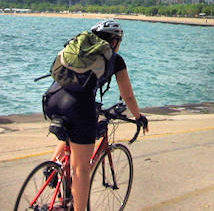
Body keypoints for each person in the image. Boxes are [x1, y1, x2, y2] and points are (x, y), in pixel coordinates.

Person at [43, 20, 148, 211]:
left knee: (71, 136)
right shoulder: (115, 59)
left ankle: (53, 167)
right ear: (115, 41)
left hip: (52, 99)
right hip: (78, 107)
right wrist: (138, 116)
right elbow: (128, 95)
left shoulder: (78, 50)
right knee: (81, 169)